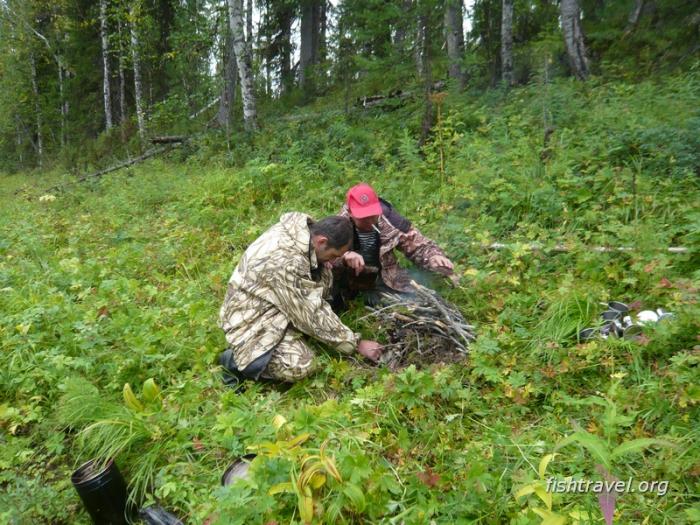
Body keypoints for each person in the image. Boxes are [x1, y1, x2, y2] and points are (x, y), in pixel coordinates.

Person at [218, 212, 383, 386]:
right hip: (250, 319)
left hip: (273, 298)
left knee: (325, 272)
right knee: (302, 365)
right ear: (321, 242)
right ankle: (237, 362)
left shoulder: (303, 232)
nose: (334, 260)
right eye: (334, 255)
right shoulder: (286, 262)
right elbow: (311, 312)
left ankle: (304, 330)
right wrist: (356, 344)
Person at [332, 183, 456, 307]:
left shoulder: (389, 217)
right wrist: (344, 257)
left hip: (385, 277)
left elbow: (415, 242)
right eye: (364, 218)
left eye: (373, 215)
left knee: (415, 302)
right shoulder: (337, 226)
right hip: (349, 282)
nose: (370, 222)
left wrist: (433, 256)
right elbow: (321, 260)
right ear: (350, 212)